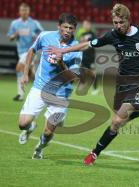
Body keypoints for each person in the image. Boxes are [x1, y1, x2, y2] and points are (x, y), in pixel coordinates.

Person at [48, 3, 139, 165]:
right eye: (115, 23)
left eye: (121, 23)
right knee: (121, 119)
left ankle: (94, 153)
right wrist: (63, 51)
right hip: (122, 81)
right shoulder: (113, 35)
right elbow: (87, 45)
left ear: (129, 20)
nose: (118, 26)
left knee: (117, 121)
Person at [18, 13, 82, 159]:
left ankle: (39, 148)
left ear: (74, 29)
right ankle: (30, 128)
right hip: (40, 87)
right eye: (65, 27)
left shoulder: (76, 49)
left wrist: (60, 62)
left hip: (61, 93)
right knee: (23, 124)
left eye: (71, 28)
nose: (67, 30)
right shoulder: (45, 36)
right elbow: (32, 51)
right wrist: (26, 73)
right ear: (58, 26)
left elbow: (71, 76)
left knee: (48, 131)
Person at [7, 2, 43, 101]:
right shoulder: (15, 23)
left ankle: (22, 94)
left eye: (26, 10)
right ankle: (30, 93)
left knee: (19, 68)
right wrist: (15, 35)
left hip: (32, 50)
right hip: (21, 51)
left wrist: (36, 36)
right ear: (19, 11)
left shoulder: (34, 23)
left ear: (29, 11)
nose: (24, 12)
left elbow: (42, 34)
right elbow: (10, 37)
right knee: (29, 73)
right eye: (22, 10)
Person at [76, 20, 98, 95]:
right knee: (81, 70)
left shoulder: (92, 34)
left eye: (86, 24)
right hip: (83, 55)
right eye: (84, 24)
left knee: (93, 72)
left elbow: (94, 44)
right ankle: (82, 83)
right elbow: (80, 43)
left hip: (90, 56)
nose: (85, 26)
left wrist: (86, 46)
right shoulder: (82, 34)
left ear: (89, 25)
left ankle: (95, 88)